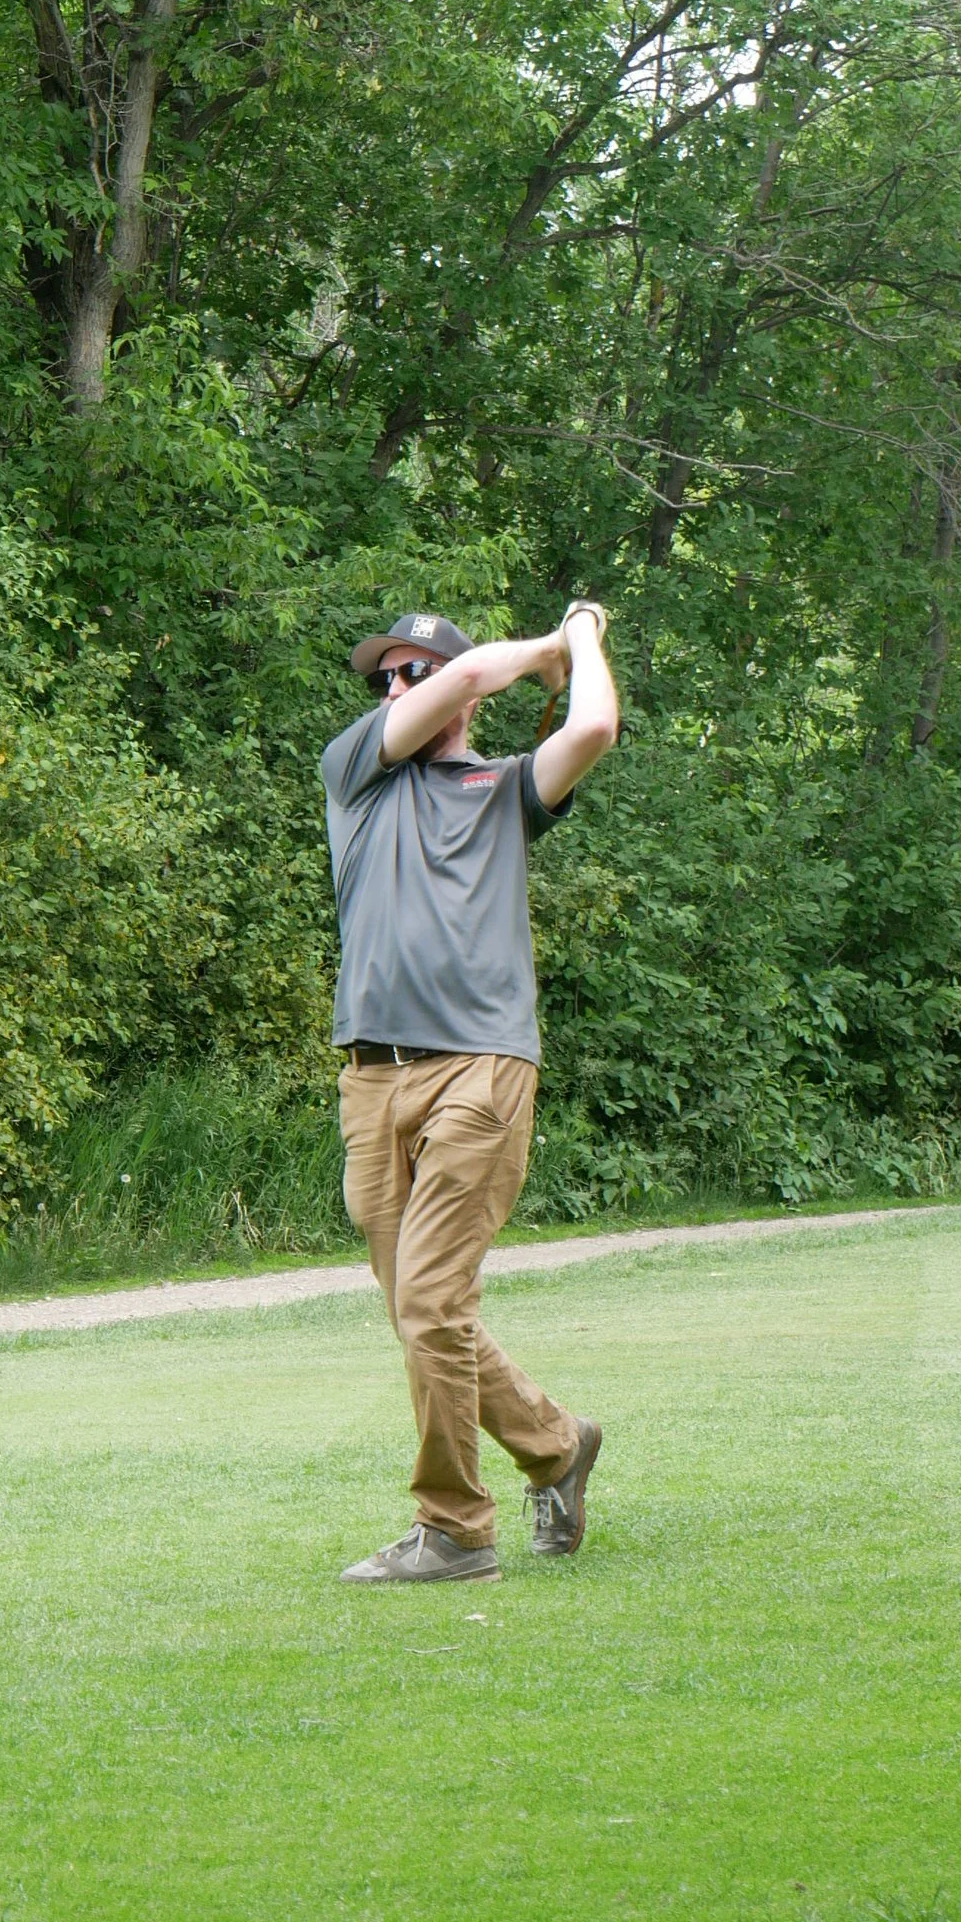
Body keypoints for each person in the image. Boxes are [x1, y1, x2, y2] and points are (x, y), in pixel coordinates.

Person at [320, 600, 621, 1584]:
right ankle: (556, 1445)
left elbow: (591, 727)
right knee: (419, 1309)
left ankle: (452, 1530)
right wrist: (537, 648)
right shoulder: (354, 772)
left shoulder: (499, 787)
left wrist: (581, 634)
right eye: (385, 677)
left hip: (480, 1066)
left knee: (433, 1301)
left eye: (412, 673)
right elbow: (462, 681)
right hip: (370, 1078)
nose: (393, 689)